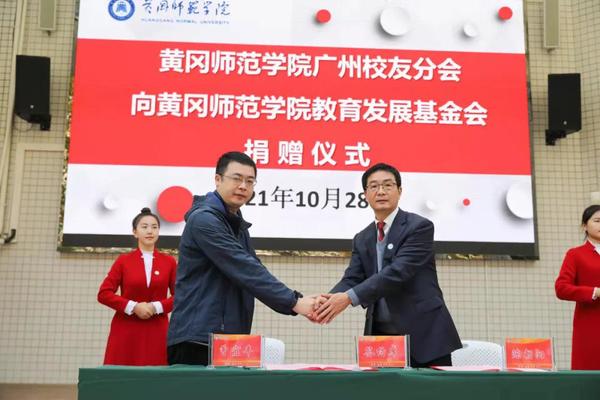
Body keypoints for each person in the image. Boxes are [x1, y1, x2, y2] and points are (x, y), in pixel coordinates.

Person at [167, 151, 315, 365]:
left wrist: (298, 299)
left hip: (228, 339)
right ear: (218, 179)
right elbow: (245, 269)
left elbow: (255, 268)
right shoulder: (204, 221)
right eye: (237, 178)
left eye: (250, 181)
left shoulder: (235, 223)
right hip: (198, 339)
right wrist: (294, 302)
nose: (243, 186)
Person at [314, 163, 461, 368]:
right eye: (374, 186)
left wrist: (347, 298)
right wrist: (326, 301)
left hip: (425, 335)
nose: (381, 191)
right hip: (382, 337)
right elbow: (352, 278)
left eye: (387, 185)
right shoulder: (362, 238)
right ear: (365, 194)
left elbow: (398, 272)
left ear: (399, 190)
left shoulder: (419, 227)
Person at [98, 208, 176, 365]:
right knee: (123, 372)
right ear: (135, 232)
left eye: (154, 227)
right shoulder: (123, 261)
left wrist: (155, 307)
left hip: (157, 328)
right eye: (144, 227)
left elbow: (181, 296)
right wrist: (133, 307)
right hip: (126, 328)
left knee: (156, 372)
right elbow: (104, 294)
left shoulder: (169, 262)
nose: (150, 231)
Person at [555, 204, 600, 370]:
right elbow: (561, 288)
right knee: (590, 375)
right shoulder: (576, 254)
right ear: (584, 226)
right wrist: (594, 291)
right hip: (591, 326)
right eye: (597, 221)